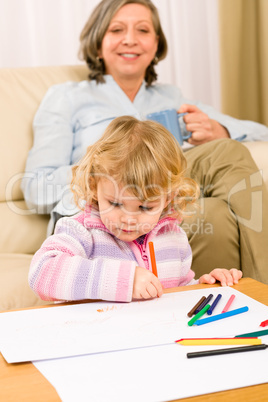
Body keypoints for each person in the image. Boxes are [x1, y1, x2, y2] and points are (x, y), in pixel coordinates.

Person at [21, 0, 268, 283]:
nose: (130, 40)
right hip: (100, 207)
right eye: (116, 30)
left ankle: (257, 294)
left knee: (225, 155)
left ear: (156, 44)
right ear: (98, 40)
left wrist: (217, 129)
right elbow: (34, 186)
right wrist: (110, 169)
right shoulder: (66, 97)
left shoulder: (171, 98)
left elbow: (260, 131)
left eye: (142, 30)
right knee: (213, 213)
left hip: (161, 204)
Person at [28, 116, 243, 302]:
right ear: (94, 187)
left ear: (167, 199)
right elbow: (41, 273)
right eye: (115, 203)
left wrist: (203, 286)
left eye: (144, 207)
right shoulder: (81, 231)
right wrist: (123, 280)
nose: (128, 219)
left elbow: (175, 293)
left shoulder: (174, 238)